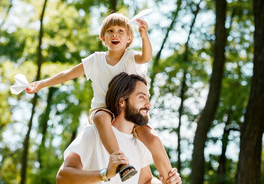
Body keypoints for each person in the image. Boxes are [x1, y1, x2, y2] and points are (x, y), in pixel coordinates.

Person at [25, 12, 172, 181]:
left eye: (120, 31)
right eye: (110, 31)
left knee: (153, 139)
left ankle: (170, 178)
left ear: (129, 39)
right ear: (103, 38)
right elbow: (68, 74)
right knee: (101, 118)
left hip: (129, 114)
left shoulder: (130, 57)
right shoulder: (95, 60)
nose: (115, 34)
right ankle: (120, 162)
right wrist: (42, 84)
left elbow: (146, 57)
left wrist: (144, 36)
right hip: (103, 108)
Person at [56, 72, 182, 184]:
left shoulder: (140, 144)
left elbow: (146, 180)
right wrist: (105, 174)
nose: (148, 104)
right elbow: (62, 177)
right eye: (141, 97)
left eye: (148, 98)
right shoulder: (94, 133)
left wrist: (166, 182)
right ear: (122, 102)